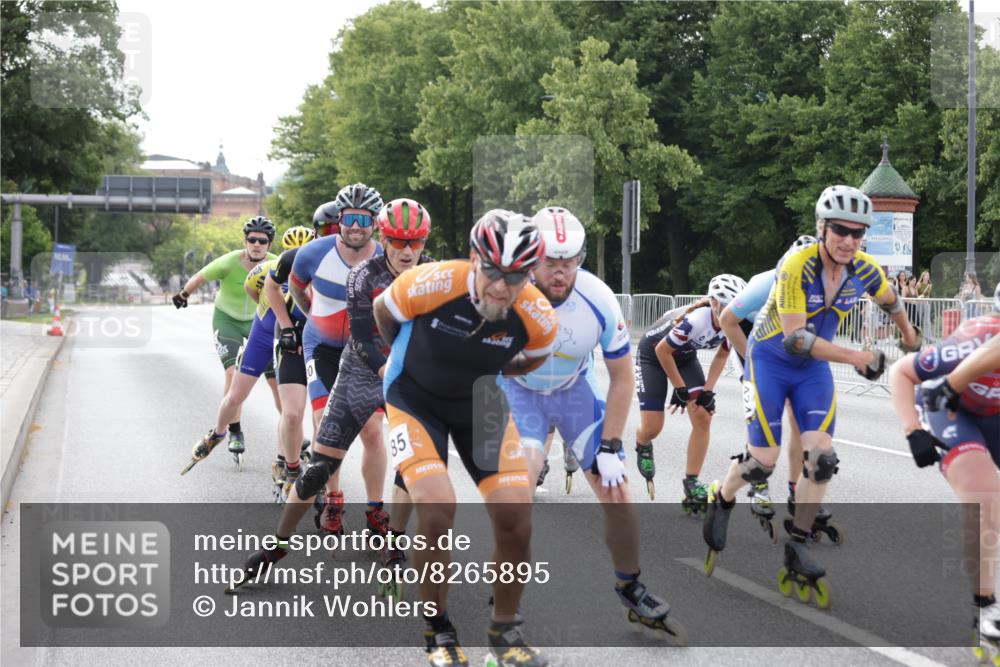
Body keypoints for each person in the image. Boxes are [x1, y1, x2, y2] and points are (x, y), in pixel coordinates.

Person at [701, 185, 921, 606]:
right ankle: (722, 495)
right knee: (761, 462)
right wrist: (856, 355)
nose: (849, 241)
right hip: (773, 361)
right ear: (822, 227)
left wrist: (909, 334)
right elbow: (796, 340)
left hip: (813, 371)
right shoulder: (795, 266)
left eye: (859, 233)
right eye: (840, 230)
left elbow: (891, 301)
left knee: (822, 459)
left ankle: (797, 543)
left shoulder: (865, 268)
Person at [370, 209, 556, 667]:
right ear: (474, 259)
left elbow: (529, 360)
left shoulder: (537, 317)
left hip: (479, 400)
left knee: (516, 514)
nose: (500, 286)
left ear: (529, 274)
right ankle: (438, 629)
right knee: (436, 510)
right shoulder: (429, 283)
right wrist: (407, 360)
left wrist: (481, 370)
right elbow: (383, 315)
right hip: (412, 397)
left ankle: (505, 629)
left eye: (514, 277)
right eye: (491, 271)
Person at [499, 206, 687, 643]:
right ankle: (507, 602)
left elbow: (621, 378)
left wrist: (610, 444)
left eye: (570, 261)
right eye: (550, 261)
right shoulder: (507, 293)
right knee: (518, 495)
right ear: (530, 257)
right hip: (518, 393)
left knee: (617, 492)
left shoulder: (598, 299)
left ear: (581, 259)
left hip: (573, 394)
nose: (560, 271)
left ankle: (630, 586)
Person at [233, 199, 433, 600]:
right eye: (397, 241)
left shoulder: (431, 276)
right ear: (383, 238)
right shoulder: (363, 275)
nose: (406, 251)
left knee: (411, 460)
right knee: (318, 470)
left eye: (415, 242)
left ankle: (393, 538)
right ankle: (277, 544)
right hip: (360, 372)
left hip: (405, 373)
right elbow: (361, 339)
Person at [888, 281, 1000, 661]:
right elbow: (902, 372)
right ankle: (986, 606)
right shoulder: (973, 341)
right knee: (986, 502)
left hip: (995, 413)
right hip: (952, 408)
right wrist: (913, 430)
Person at [718, 235, 840, 543]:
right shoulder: (766, 281)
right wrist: (751, 365)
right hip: (755, 344)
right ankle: (750, 481)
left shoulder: (830, 282)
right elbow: (727, 319)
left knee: (802, 423)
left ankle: (795, 490)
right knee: (764, 425)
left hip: (793, 354)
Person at [288, 184, 386, 535]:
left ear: (375, 222)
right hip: (324, 349)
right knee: (323, 422)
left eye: (363, 219)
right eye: (349, 218)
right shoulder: (313, 253)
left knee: (373, 433)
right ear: (339, 218)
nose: (355, 226)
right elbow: (297, 288)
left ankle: (376, 511)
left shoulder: (386, 257)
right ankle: (333, 500)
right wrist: (312, 317)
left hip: (365, 354)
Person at [633, 274, 747, 509]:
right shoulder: (695, 320)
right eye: (726, 305)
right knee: (653, 427)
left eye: (736, 306)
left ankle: (691, 482)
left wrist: (708, 391)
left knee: (703, 416)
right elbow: (662, 352)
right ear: (714, 302)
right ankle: (642, 441)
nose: (732, 311)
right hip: (652, 356)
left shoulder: (732, 322)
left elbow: (722, 355)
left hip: (684, 358)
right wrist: (680, 388)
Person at [176, 216, 278, 472]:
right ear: (245, 241)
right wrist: (184, 294)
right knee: (233, 373)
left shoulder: (277, 264)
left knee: (277, 381)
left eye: (262, 241)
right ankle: (234, 431)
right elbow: (201, 276)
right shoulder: (231, 260)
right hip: (228, 320)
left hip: (258, 322)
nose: (256, 244)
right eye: (251, 240)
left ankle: (293, 431)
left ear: (269, 244)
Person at [266, 204, 339, 502]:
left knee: (323, 417)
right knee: (293, 414)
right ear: (314, 232)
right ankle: (292, 468)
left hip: (324, 344)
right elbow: (269, 289)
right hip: (293, 340)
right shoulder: (298, 257)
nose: (332, 237)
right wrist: (285, 327)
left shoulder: (354, 262)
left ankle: (321, 477)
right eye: (325, 231)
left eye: (336, 230)